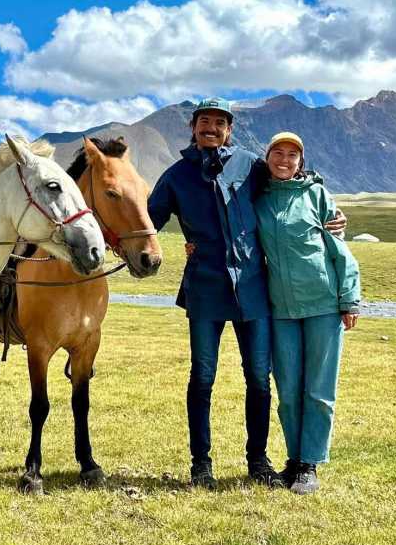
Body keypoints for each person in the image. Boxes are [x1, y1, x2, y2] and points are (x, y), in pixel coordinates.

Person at [147, 98, 346, 490]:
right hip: (204, 289)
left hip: (254, 290)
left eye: (219, 122)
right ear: (193, 127)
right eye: (204, 121)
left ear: (229, 129)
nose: (211, 128)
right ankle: (200, 465)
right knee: (202, 378)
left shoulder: (251, 165)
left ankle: (258, 461)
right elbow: (148, 220)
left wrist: (330, 208)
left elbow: (291, 183)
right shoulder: (175, 176)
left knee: (259, 377)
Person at [255, 132, 360, 495]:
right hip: (281, 309)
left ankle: (310, 464)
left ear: (301, 162)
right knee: (288, 390)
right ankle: (293, 460)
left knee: (318, 389)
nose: (284, 160)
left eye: (292, 155)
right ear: (267, 157)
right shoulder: (258, 198)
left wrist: (350, 298)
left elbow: (339, 249)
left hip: (323, 305)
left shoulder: (317, 195)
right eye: (278, 153)